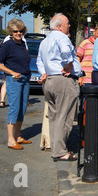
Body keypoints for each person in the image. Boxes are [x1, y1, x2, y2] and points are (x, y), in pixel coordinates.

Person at [37, 13, 82, 161]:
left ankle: (56, 148)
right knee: (65, 117)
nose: (69, 25)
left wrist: (43, 73)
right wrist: (69, 64)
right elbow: (65, 51)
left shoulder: (45, 40)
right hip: (63, 80)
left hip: (50, 80)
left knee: (55, 117)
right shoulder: (62, 37)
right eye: (67, 23)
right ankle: (60, 151)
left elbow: (39, 60)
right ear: (59, 26)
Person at [0, 19, 32, 150]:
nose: (18, 33)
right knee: (14, 108)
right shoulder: (8, 44)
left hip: (25, 78)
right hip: (14, 80)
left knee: (22, 107)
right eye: (15, 31)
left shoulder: (22, 44)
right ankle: (10, 139)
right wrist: (12, 72)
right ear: (11, 31)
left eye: (21, 31)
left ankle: (18, 135)